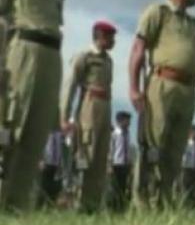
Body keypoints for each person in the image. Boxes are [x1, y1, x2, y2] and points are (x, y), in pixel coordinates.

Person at [0, 0, 71, 210]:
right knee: (11, 126)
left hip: (51, 56)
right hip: (21, 53)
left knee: (37, 132)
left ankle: (16, 207)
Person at [129, 0, 195, 208]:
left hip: (188, 89)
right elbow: (138, 50)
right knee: (153, 144)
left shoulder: (194, 24)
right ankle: (143, 203)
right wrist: (134, 88)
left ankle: (165, 200)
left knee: (176, 148)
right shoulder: (157, 13)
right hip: (161, 84)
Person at [61, 20, 116, 213]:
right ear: (99, 36)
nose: (113, 41)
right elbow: (70, 86)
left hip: (105, 105)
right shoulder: (85, 57)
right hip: (88, 105)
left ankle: (91, 204)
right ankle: (77, 201)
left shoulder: (108, 60)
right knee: (86, 153)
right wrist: (64, 117)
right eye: (109, 36)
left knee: (101, 157)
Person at [108, 111, 134, 212]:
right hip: (116, 164)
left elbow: (128, 149)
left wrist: (130, 162)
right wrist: (109, 164)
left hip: (125, 164)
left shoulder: (127, 134)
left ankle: (121, 208)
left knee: (123, 186)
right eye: (127, 120)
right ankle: (113, 207)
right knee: (115, 187)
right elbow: (111, 150)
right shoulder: (115, 134)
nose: (129, 123)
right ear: (120, 121)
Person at [39, 129, 65, 207]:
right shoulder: (45, 131)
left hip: (57, 166)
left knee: (55, 188)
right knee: (44, 186)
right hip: (46, 164)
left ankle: (51, 205)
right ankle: (41, 205)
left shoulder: (60, 135)